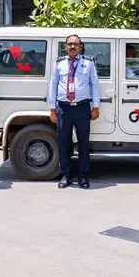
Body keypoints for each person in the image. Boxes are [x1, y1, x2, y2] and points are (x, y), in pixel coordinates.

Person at [49, 34, 100, 189]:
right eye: (69, 44)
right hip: (63, 107)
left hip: (82, 107)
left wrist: (95, 106)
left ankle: (82, 175)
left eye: (75, 44)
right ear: (65, 46)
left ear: (80, 46)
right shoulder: (59, 64)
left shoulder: (88, 63)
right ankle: (66, 175)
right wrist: (52, 108)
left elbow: (95, 84)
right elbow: (53, 85)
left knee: (83, 142)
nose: (72, 47)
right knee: (64, 142)